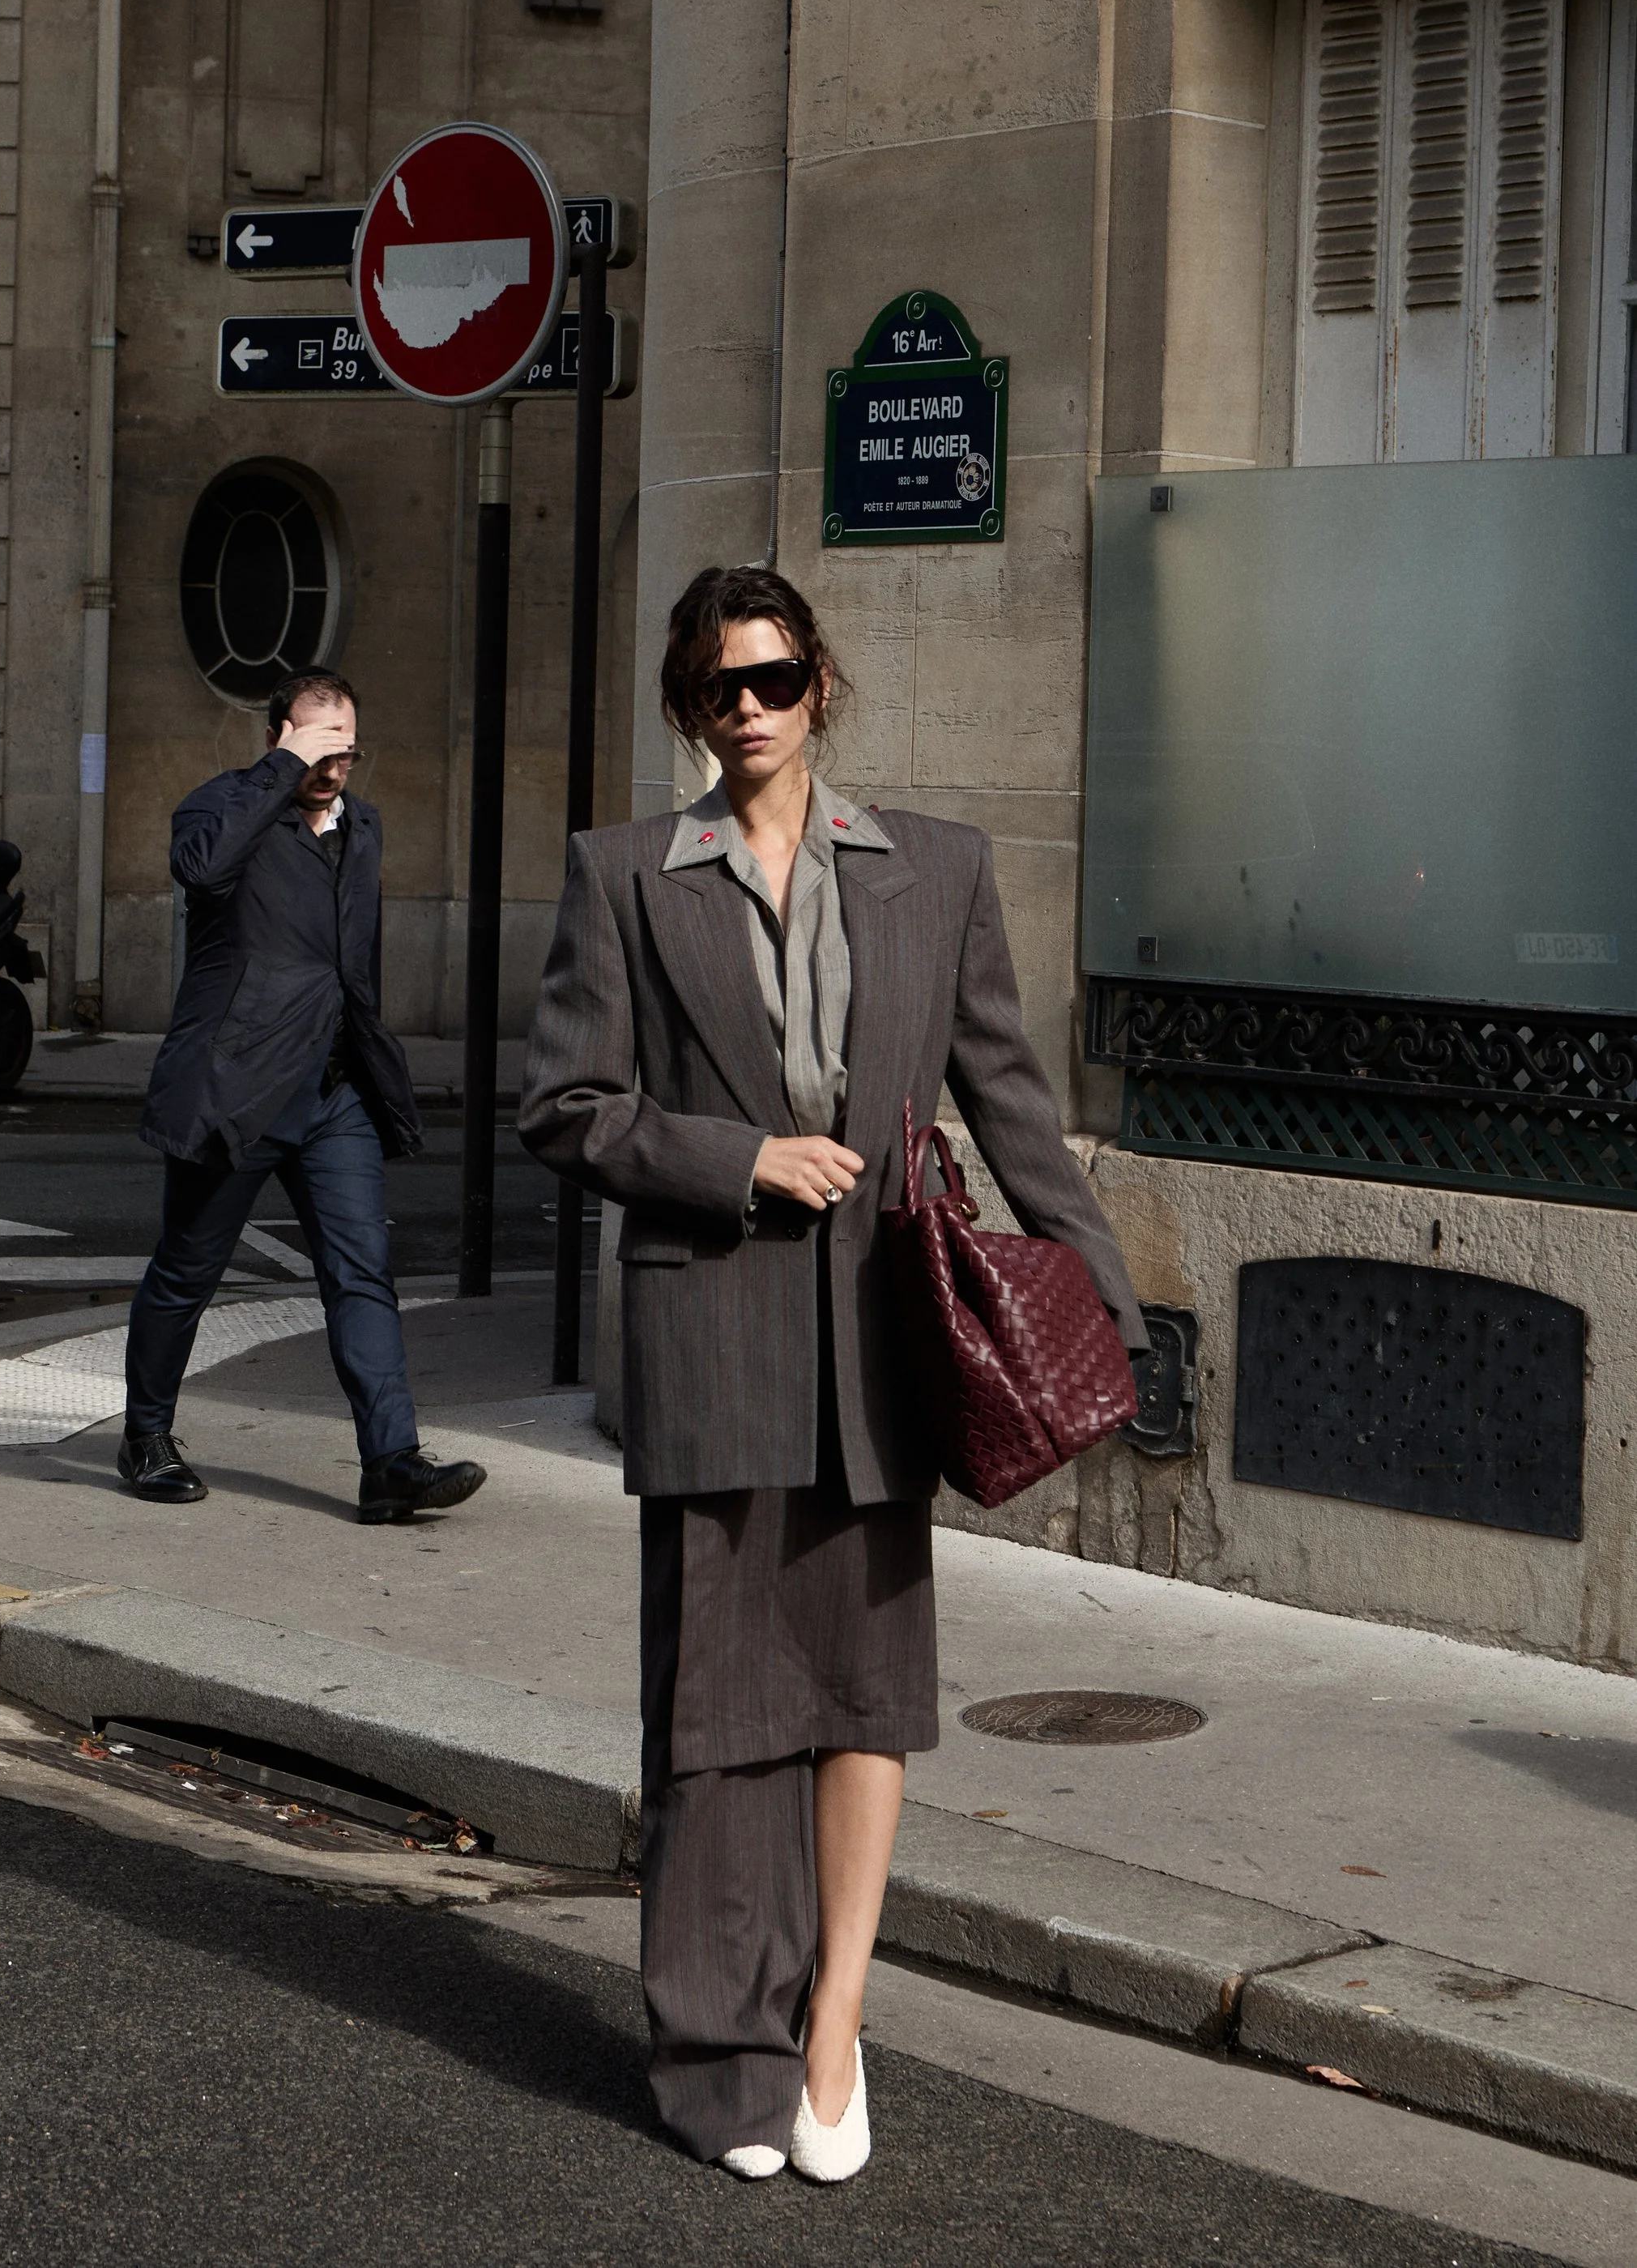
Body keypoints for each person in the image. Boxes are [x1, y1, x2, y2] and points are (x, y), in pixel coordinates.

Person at [519, 566, 1145, 2184]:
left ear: (820, 687)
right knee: (717, 1717)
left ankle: (829, 2029)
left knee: (865, 1696)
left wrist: (1104, 1299)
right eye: (719, 685)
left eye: (775, 677)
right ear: (686, 704)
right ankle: (716, 2053)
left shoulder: (933, 871)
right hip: (711, 1334)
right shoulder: (622, 878)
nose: (750, 708)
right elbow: (567, 1109)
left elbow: (1007, 1097)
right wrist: (736, 1159)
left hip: (880, 1341)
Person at [120, 668, 486, 1525]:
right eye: (318, 739)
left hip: (332, 1094)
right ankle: (145, 1437)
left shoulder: (364, 826)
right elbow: (201, 871)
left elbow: (351, 961)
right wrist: (280, 773)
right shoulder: (220, 807)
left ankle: (390, 1461)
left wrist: (373, 1062)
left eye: (346, 740)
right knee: (185, 1272)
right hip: (239, 1089)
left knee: (362, 1275)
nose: (336, 757)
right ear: (281, 733)